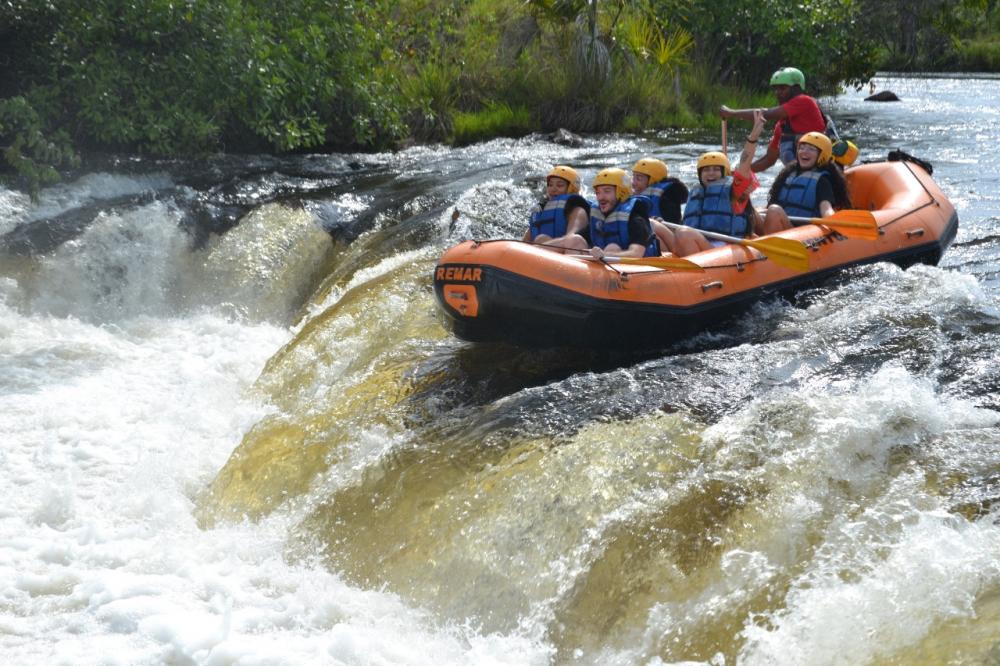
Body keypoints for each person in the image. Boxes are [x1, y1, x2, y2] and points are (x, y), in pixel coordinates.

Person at [678, 109, 767, 248]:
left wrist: (753, 137)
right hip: (698, 241)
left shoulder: (734, 191)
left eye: (716, 169)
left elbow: (744, 164)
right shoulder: (696, 191)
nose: (711, 173)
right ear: (700, 174)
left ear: (724, 172)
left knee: (684, 233)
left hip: (723, 246)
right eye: (706, 170)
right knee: (657, 226)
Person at [719, 67, 829, 173]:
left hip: (822, 170)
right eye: (776, 89)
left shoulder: (805, 101)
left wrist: (732, 113)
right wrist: (739, 172)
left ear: (796, 89)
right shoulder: (781, 127)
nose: (777, 92)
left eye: (783, 88)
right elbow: (768, 160)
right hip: (799, 174)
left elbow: (766, 114)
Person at [758, 131, 852, 235]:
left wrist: (833, 221)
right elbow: (771, 206)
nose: (804, 152)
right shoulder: (787, 174)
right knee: (752, 214)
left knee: (774, 211)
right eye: (801, 148)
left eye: (811, 149)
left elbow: (826, 209)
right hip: (781, 225)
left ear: (822, 155)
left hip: (801, 233)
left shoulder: (822, 181)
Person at [561, 168, 659, 259]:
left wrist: (605, 254)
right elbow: (572, 240)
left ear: (621, 192)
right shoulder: (599, 217)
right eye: (598, 192)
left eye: (607, 191)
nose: (601, 197)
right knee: (575, 240)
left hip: (639, 266)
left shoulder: (636, 219)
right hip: (603, 261)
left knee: (612, 247)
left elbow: (636, 253)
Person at [630, 158, 693, 255]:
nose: (633, 183)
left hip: (668, 241)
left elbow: (674, 226)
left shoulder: (667, 196)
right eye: (633, 177)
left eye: (639, 178)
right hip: (643, 239)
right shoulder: (631, 198)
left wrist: (660, 224)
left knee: (652, 226)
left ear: (652, 180)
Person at [522, 165, 590, 247]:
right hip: (546, 249)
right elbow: (523, 244)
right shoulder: (541, 212)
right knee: (541, 238)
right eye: (550, 185)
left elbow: (572, 239)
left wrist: (537, 247)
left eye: (559, 185)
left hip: (573, 250)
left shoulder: (579, 211)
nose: (553, 189)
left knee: (574, 240)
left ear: (571, 188)